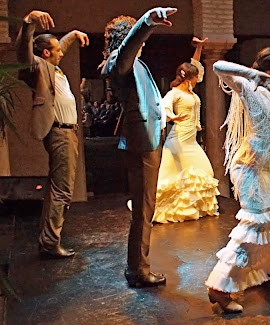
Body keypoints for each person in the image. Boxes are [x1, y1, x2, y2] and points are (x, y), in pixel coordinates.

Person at [204, 38, 270, 312]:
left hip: (269, 169)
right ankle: (219, 288)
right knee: (253, 227)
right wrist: (250, 73)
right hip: (252, 167)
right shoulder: (248, 86)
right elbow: (218, 65)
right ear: (268, 71)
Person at [102, 7, 177, 287]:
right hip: (141, 143)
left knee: (147, 209)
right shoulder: (120, 61)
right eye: (138, 39)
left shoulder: (137, 64)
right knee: (144, 211)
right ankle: (138, 270)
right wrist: (147, 22)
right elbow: (128, 50)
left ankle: (137, 267)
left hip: (148, 140)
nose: (143, 44)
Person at [17, 10, 89, 259]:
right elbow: (24, 52)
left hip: (68, 133)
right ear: (46, 53)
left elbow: (62, 47)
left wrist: (72, 35)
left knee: (59, 187)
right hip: (58, 133)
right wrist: (29, 22)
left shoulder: (53, 68)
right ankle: (49, 243)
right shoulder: (38, 67)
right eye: (56, 49)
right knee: (62, 189)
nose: (61, 52)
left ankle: (48, 240)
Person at [153, 37, 219, 223]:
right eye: (195, 78)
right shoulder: (175, 93)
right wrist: (172, 117)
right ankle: (169, 210)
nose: (198, 80)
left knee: (205, 171)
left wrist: (198, 48)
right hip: (179, 140)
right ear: (188, 79)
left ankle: (191, 209)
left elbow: (196, 65)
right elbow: (163, 106)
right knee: (173, 178)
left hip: (191, 141)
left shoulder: (190, 92)